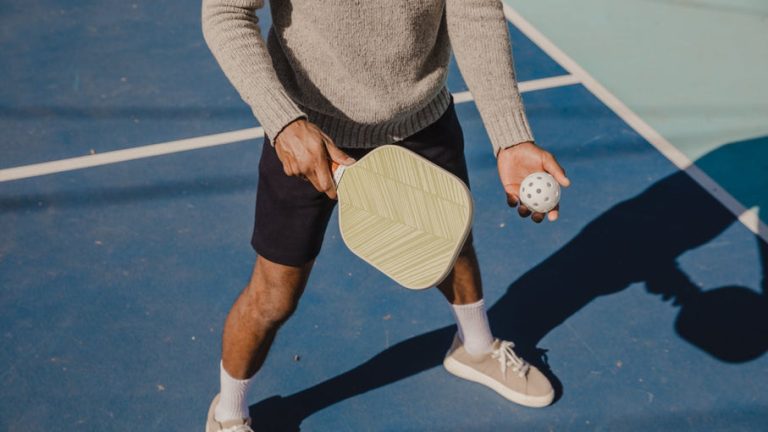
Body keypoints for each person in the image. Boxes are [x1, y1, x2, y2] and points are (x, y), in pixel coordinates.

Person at [201, 0, 570, 430]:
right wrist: (283, 122)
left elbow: (474, 9)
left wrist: (510, 138)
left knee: (452, 241)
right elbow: (226, 12)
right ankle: (229, 413)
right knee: (274, 295)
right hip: (306, 132)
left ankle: (475, 346)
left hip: (421, 120)